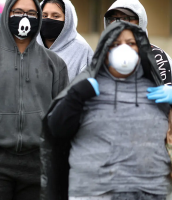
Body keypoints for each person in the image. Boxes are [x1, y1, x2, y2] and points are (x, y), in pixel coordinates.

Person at [43, 21, 171, 200]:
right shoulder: (85, 86)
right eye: (116, 44)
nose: (124, 49)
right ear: (105, 51)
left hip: (148, 191)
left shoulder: (156, 90)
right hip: (95, 192)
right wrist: (75, 97)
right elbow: (56, 129)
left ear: (140, 49)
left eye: (131, 43)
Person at [0, 0, 69, 198]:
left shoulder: (55, 64)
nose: (24, 18)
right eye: (18, 11)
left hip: (38, 164)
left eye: (31, 13)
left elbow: (61, 115)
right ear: (6, 14)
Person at [104, 0, 172, 86]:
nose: (119, 24)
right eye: (113, 19)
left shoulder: (159, 58)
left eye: (125, 18)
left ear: (141, 21)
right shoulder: (103, 55)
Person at [36, 0, 93, 82]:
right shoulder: (30, 45)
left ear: (67, 19)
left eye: (56, 16)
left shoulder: (82, 50)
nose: (48, 20)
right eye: (44, 16)